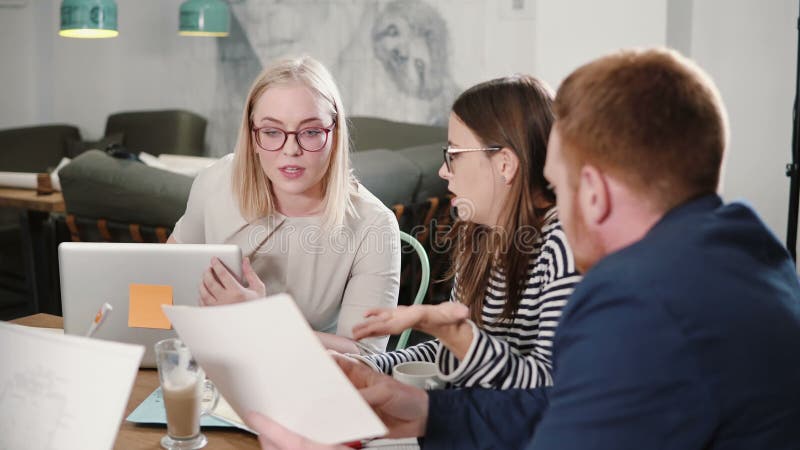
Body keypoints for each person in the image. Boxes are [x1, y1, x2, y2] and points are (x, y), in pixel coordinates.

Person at [246, 48, 800, 449]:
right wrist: (424, 412)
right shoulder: (746, 253)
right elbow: (554, 407)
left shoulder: (643, 304)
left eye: (556, 182)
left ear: (595, 193)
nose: (550, 201)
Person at [349, 74, 580, 390]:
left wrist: (452, 333)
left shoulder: (562, 245)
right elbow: (455, 353)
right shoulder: (482, 236)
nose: (444, 170)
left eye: (454, 154)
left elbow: (550, 387)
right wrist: (367, 366)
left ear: (504, 164)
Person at [169, 56, 401, 355]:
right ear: (252, 136)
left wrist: (264, 318)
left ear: (335, 134)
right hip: (213, 363)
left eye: (311, 132)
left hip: (311, 378)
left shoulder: (374, 224)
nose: (291, 150)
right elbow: (164, 281)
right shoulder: (215, 183)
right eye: (272, 132)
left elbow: (366, 357)